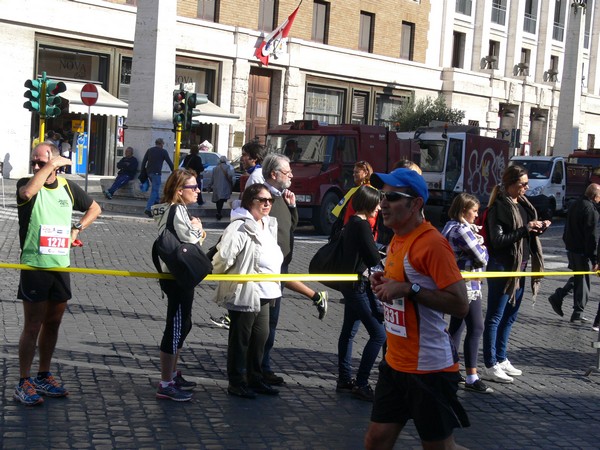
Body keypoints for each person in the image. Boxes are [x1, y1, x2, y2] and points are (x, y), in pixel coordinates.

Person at [366, 168, 470, 449]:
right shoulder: (397, 238)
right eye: (382, 195)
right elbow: (403, 285)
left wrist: (408, 290)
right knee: (375, 441)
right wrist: (385, 282)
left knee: (439, 447)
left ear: (415, 204)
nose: (383, 203)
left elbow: (460, 304)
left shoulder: (432, 244)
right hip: (395, 363)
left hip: (430, 370)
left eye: (392, 197)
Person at [14, 142, 101, 406]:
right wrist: (50, 164)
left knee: (53, 323)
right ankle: (23, 380)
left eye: (41, 162)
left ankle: (43, 374)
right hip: (35, 266)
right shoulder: (26, 183)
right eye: (35, 162)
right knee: (32, 326)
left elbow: (95, 208)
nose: (36, 166)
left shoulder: (67, 187)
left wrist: (77, 228)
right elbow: (28, 193)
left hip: (60, 265)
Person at [260, 153, 328, 385]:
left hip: (281, 268)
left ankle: (264, 367)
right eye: (288, 172)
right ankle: (255, 370)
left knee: (271, 323)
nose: (292, 176)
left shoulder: (281, 198)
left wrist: (293, 207)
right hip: (266, 271)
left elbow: (290, 227)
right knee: (263, 324)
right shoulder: (264, 197)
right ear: (273, 174)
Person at [212, 183, 283, 399]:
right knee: (241, 338)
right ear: (250, 201)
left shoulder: (267, 224)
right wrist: (224, 275)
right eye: (263, 200)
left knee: (260, 336)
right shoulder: (240, 226)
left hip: (267, 291)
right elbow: (223, 257)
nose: (267, 204)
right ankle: (237, 381)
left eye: (270, 200)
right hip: (246, 290)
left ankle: (255, 377)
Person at [481, 165, 550, 384]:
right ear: (510, 184)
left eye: (526, 184)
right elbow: (497, 241)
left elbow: (525, 235)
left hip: (520, 266)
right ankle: (490, 364)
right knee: (495, 316)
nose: (527, 187)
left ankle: (501, 358)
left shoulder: (523, 205)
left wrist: (539, 228)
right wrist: (525, 229)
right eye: (522, 184)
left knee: (510, 316)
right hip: (502, 266)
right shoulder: (499, 207)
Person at [152, 169, 207, 402]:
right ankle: (166, 382)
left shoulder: (171, 209)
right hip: (176, 276)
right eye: (193, 187)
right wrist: (199, 227)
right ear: (179, 191)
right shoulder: (177, 210)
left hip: (175, 274)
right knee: (176, 327)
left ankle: (172, 375)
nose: (198, 191)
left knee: (183, 324)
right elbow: (193, 238)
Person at [336, 185, 386, 402]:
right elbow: (374, 258)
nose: (379, 209)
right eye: (377, 204)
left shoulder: (351, 223)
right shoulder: (362, 225)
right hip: (357, 286)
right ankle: (362, 382)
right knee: (379, 334)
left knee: (348, 332)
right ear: (368, 204)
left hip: (350, 285)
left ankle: (345, 378)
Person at [441, 193, 492, 394]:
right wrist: (481, 244)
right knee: (476, 327)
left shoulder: (449, 226)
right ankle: (472, 376)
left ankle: (450, 369)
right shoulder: (462, 230)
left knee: (456, 327)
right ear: (463, 211)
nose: (476, 216)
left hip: (455, 283)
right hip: (468, 286)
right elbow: (482, 257)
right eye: (474, 211)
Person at [548, 183, 600, 323]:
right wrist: (595, 259)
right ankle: (577, 311)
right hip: (581, 250)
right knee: (583, 280)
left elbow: (567, 227)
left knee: (579, 276)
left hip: (571, 247)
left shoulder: (575, 204)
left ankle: (559, 297)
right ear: (595, 197)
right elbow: (592, 237)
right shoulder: (590, 210)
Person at [141, 138, 174, 218]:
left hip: (149, 173)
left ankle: (157, 204)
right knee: (155, 190)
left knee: (156, 189)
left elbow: (144, 162)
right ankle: (148, 208)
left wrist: (143, 172)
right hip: (156, 173)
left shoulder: (149, 150)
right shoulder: (163, 152)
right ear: (161, 144)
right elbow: (169, 163)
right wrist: (174, 172)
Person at [209, 155, 235, 220]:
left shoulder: (215, 168)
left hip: (216, 187)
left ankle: (218, 211)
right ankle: (219, 212)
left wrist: (209, 186)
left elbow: (212, 179)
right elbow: (230, 176)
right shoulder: (228, 167)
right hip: (224, 186)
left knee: (218, 200)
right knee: (221, 200)